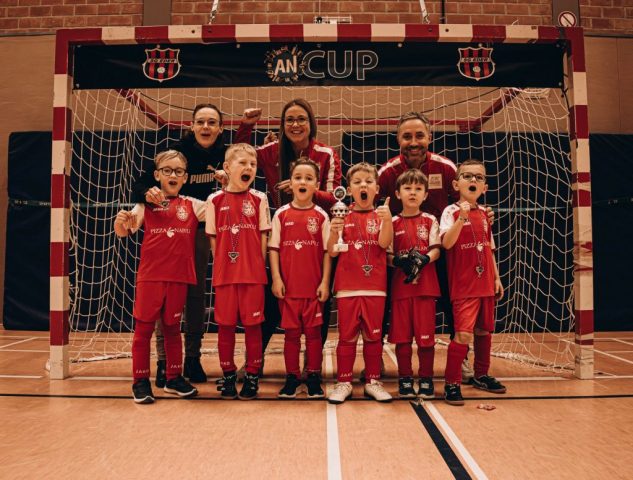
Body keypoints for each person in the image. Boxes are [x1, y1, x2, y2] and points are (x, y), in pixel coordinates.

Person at [132, 104, 261, 386]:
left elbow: (240, 158)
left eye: (212, 122)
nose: (205, 127)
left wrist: (246, 127)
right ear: (191, 126)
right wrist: (147, 193)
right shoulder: (177, 152)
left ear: (220, 128)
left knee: (196, 293)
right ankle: (164, 361)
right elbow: (140, 184)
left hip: (203, 226)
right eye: (200, 121)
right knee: (164, 297)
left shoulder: (223, 154)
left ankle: (191, 357)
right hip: (171, 226)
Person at [378, 111, 493, 383]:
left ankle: (462, 358)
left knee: (454, 306)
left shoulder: (446, 168)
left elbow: (467, 201)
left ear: (429, 137)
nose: (413, 142)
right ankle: (377, 357)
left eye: (419, 135)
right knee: (386, 303)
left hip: (443, 250)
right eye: (407, 136)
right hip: (401, 251)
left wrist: (483, 213)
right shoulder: (386, 173)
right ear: (398, 139)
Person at [253, 98, 343, 371]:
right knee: (271, 302)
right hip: (284, 233)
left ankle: (311, 365)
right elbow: (241, 156)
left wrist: (306, 190)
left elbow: (336, 199)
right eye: (289, 119)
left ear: (311, 123)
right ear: (282, 125)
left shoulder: (326, 153)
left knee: (320, 301)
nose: (295, 124)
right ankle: (255, 362)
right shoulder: (271, 150)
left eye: (301, 119)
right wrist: (246, 125)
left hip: (318, 236)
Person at [114, 150, 203, 404]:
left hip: (179, 278)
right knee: (143, 330)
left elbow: (220, 209)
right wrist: (120, 221)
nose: (173, 175)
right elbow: (123, 231)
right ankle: (140, 381)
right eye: (167, 170)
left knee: (173, 329)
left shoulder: (193, 205)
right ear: (156, 175)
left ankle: (174, 378)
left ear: (185, 178)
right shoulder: (144, 206)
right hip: (151, 277)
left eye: (178, 171)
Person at [206, 143, 271, 400]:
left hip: (253, 276)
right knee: (225, 328)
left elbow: (264, 237)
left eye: (253, 164)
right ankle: (229, 375)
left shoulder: (259, 198)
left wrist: (257, 266)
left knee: (254, 328)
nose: (249, 168)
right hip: (225, 276)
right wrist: (224, 265)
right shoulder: (214, 201)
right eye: (242, 163)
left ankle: (252, 376)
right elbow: (213, 240)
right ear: (226, 167)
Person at [439, 159, 506, 406]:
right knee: (463, 334)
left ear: (485, 187)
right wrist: (461, 218)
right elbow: (446, 243)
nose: (473, 180)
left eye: (479, 177)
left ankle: (481, 374)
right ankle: (452, 383)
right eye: (467, 176)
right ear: (456, 184)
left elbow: (489, 248)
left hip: (485, 282)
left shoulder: (486, 214)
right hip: (464, 285)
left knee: (484, 331)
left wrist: (497, 278)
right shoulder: (450, 212)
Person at [327, 163, 393, 404]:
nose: (363, 185)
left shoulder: (383, 216)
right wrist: (333, 231)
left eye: (368, 181)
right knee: (347, 337)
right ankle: (343, 382)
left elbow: (384, 244)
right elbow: (332, 251)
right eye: (357, 182)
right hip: (347, 287)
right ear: (349, 190)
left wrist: (388, 221)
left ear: (377, 188)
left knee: (373, 337)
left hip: (376, 287)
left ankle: (373, 381)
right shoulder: (341, 215)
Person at [268, 158, 332, 399]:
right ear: (291, 183)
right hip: (289, 289)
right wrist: (276, 278)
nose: (303, 182)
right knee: (291, 336)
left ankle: (313, 376)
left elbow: (327, 252)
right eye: (298, 177)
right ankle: (292, 377)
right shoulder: (281, 214)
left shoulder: (322, 216)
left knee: (314, 336)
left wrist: (325, 282)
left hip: (314, 289)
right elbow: (273, 249)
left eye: (308, 178)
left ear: (316, 185)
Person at [388, 169, 441, 399]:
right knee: (402, 338)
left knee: (426, 338)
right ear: (397, 193)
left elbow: (437, 249)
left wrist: (425, 259)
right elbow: (387, 254)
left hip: (425, 288)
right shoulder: (391, 222)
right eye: (407, 188)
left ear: (426, 194)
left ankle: (426, 378)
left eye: (418, 189)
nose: (413, 192)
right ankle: (405, 378)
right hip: (401, 289)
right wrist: (398, 261)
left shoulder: (430, 220)